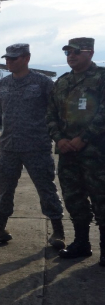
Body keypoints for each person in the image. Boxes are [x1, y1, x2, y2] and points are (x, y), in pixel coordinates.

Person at [0, 44, 66, 249]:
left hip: (36, 145)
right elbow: (0, 107)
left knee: (46, 188)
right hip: (9, 147)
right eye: (7, 59)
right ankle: (0, 228)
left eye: (14, 58)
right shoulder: (2, 84)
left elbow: (56, 110)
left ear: (27, 58)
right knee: (5, 189)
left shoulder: (43, 83)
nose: (9, 62)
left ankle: (58, 231)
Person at [46, 37, 105, 265]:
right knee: (74, 199)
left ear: (90, 53)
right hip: (68, 154)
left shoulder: (101, 78)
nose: (71, 56)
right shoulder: (61, 83)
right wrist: (59, 139)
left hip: (97, 153)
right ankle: (81, 243)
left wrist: (84, 138)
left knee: (102, 199)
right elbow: (50, 114)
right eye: (68, 52)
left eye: (76, 52)